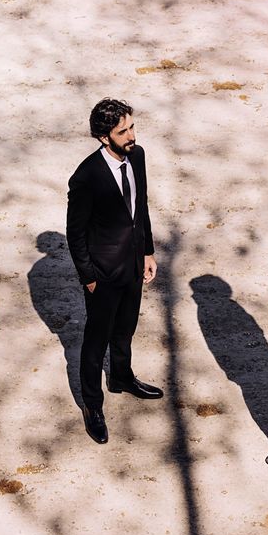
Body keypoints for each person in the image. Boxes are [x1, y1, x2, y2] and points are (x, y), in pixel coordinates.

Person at [66, 98, 162, 444]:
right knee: (95, 343)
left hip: (133, 264)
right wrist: (89, 277)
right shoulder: (86, 177)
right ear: (104, 137)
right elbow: (75, 233)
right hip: (103, 274)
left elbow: (141, 207)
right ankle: (92, 405)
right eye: (123, 131)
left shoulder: (138, 156)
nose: (132, 135)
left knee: (125, 328)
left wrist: (147, 251)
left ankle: (121, 377)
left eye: (132, 127)